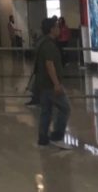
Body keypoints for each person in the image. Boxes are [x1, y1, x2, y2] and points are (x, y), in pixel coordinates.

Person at [35, 17, 73, 149]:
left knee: (46, 111)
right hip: (50, 85)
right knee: (65, 108)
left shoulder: (42, 42)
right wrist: (57, 84)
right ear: (51, 29)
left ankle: (43, 138)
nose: (59, 29)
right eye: (57, 27)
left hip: (43, 84)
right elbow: (49, 64)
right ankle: (57, 136)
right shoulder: (49, 45)